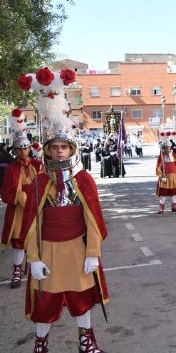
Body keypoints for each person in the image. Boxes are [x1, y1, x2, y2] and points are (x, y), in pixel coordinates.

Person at [19, 67, 109, 352]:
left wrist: (93, 253)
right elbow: (32, 222)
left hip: (77, 250)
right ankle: (41, 343)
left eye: (64, 147)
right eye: (54, 146)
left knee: (81, 298)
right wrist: (33, 258)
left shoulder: (83, 179)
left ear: (72, 150)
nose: (59, 151)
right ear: (47, 150)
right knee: (44, 302)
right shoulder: (40, 181)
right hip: (47, 250)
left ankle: (87, 340)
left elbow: (92, 220)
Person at [1, 110, 43, 289]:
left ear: (29, 148)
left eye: (25, 147)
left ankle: (37, 267)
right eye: (19, 148)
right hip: (19, 210)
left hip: (36, 207)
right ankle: (17, 271)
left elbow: (45, 184)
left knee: (38, 237)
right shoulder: (11, 168)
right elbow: (6, 190)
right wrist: (18, 196)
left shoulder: (36, 165)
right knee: (18, 241)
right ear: (16, 150)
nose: (23, 151)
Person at [156, 132, 176, 213]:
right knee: (163, 193)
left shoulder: (174, 156)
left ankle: (174, 207)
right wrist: (161, 176)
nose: (168, 149)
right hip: (165, 178)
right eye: (166, 148)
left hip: (174, 177)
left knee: (173, 193)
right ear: (163, 148)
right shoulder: (161, 156)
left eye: (169, 147)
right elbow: (158, 168)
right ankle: (161, 208)